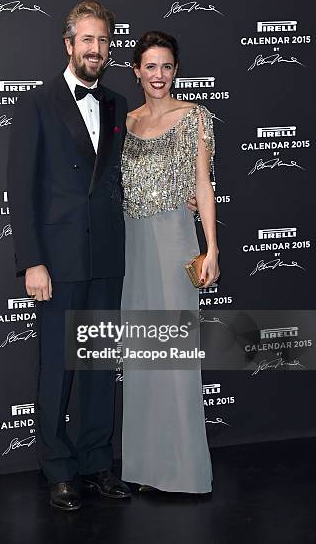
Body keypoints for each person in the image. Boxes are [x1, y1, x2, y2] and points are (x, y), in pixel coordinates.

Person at [7, 0, 131, 511]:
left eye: (103, 40)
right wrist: (32, 261)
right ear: (68, 44)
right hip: (56, 262)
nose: (95, 49)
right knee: (58, 367)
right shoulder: (38, 104)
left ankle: (97, 464)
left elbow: (130, 176)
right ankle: (58, 469)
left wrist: (185, 195)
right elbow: (21, 186)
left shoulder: (120, 104)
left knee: (100, 368)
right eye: (87, 39)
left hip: (105, 255)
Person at [120, 31, 220, 493]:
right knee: (142, 354)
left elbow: (203, 186)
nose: (158, 75)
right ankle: (143, 468)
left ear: (175, 70)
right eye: (150, 66)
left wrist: (211, 248)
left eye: (167, 66)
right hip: (132, 244)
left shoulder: (194, 117)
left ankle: (182, 472)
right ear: (137, 71)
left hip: (175, 240)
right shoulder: (128, 122)